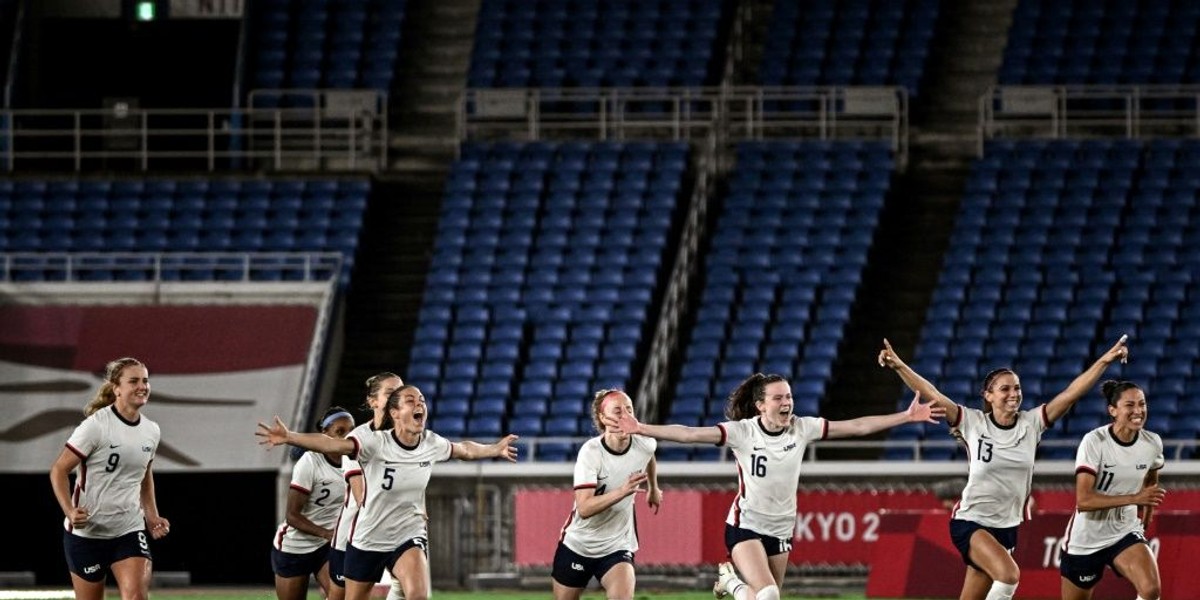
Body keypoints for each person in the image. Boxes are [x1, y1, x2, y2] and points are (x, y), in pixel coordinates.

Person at [607, 372, 944, 600]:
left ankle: (731, 584)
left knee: (768, 598)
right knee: (768, 595)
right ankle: (732, 583)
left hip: (781, 529)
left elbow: (855, 426)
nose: (787, 403)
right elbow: (690, 434)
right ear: (760, 405)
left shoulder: (802, 428)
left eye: (789, 396)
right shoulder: (743, 432)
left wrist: (905, 417)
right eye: (779, 398)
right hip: (745, 526)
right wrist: (642, 427)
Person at [878, 335, 1130, 600]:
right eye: (1005, 389)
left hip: (1007, 527)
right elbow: (933, 394)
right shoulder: (973, 423)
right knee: (1009, 575)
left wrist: (1104, 360)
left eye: (1017, 388)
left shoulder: (1031, 424)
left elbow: (1071, 394)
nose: (1014, 394)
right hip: (971, 521)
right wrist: (899, 366)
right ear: (988, 395)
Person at [257, 384, 518, 600]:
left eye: (422, 400)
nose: (419, 405)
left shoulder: (430, 442)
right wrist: (290, 436)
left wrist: (495, 449)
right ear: (394, 412)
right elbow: (332, 444)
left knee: (417, 596)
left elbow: (464, 449)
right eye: (410, 400)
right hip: (369, 536)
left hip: (407, 533)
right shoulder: (374, 443)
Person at [49, 357, 171, 600]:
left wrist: (151, 515)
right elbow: (59, 470)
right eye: (133, 381)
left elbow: (144, 475)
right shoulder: (95, 426)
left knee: (136, 596)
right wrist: (70, 511)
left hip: (129, 528)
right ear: (116, 388)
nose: (142, 386)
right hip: (87, 534)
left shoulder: (151, 430)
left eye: (145, 381)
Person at [1058, 380, 1165, 600]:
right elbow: (1084, 501)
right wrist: (1135, 498)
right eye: (1130, 405)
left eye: (1142, 404)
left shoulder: (1152, 443)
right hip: (1086, 538)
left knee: (1150, 590)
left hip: (1124, 530)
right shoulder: (1094, 442)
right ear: (1113, 410)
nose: (1138, 411)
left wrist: (1146, 516)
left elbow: (1151, 481)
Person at [552, 389, 663, 600]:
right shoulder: (591, 452)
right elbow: (584, 509)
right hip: (578, 544)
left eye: (629, 410)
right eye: (618, 411)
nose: (626, 416)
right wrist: (622, 491)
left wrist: (653, 488)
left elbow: (649, 456)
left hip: (617, 545)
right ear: (603, 418)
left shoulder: (645, 443)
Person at [327, 372, 406, 600]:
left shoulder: (408, 437)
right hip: (354, 535)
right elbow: (362, 495)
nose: (397, 398)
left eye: (400, 392)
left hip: (393, 531)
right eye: (390, 393)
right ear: (373, 401)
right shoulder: (357, 439)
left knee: (408, 588)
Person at [271, 406, 356, 600]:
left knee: (342, 596)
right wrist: (327, 533)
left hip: (327, 547)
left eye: (351, 431)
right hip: (295, 546)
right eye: (340, 432)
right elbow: (292, 516)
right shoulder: (310, 461)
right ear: (324, 434)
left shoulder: (356, 460)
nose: (346, 438)